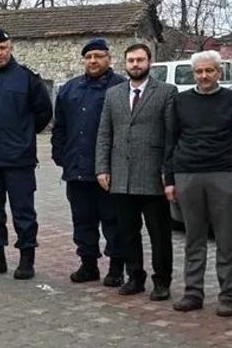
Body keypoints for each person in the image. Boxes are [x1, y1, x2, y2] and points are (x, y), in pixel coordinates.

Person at [164, 50, 232, 317]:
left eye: (209, 71)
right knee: (194, 239)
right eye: (199, 71)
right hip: (187, 175)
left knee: (226, 240)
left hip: (223, 174)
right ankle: (193, 293)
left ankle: (227, 296)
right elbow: (170, 142)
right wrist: (169, 180)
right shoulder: (181, 101)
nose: (204, 76)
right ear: (193, 74)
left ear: (219, 72)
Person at [0, 29, 53, 280]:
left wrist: (23, 134)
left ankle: (26, 259)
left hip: (19, 159)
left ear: (11, 48)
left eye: (3, 47)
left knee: (23, 211)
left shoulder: (27, 78)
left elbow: (44, 112)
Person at [96, 43, 177, 301]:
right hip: (122, 175)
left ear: (149, 62)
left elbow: (172, 136)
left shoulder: (166, 92)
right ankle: (135, 277)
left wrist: (168, 171)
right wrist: (102, 168)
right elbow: (104, 133)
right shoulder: (113, 94)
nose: (135, 65)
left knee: (159, 234)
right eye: (131, 60)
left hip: (153, 176)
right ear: (125, 63)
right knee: (127, 232)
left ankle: (162, 281)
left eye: (140, 60)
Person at [52, 38, 126, 285]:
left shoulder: (120, 87)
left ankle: (116, 267)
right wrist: (60, 155)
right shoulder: (70, 89)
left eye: (98, 56)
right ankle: (88, 264)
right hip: (76, 168)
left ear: (109, 58)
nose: (93, 61)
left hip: (109, 171)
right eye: (89, 57)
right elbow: (59, 126)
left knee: (113, 221)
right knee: (82, 220)